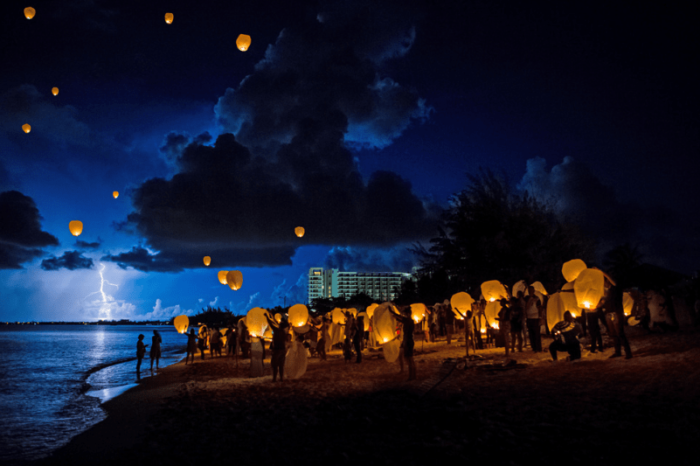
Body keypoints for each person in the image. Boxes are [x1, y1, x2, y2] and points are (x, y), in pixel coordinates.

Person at [603, 286, 633, 359]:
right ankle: (617, 352)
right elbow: (604, 302)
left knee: (620, 333)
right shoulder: (605, 291)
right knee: (613, 334)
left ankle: (628, 352)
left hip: (617, 313)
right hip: (608, 313)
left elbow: (613, 299)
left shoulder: (616, 289)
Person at [389, 305, 416, 381]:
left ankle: (411, 376)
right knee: (410, 359)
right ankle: (413, 375)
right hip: (408, 340)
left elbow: (399, 316)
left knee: (409, 359)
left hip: (407, 341)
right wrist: (393, 314)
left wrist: (391, 311)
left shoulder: (408, 320)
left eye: (405, 314)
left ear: (408, 314)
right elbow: (399, 317)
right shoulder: (410, 321)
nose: (404, 315)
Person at [265, 313, 289, 382]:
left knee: (275, 365)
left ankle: (274, 378)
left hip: (277, 350)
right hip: (283, 349)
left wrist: (267, 317)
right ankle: (281, 378)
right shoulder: (284, 333)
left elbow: (270, 323)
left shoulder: (276, 330)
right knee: (281, 365)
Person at [525, 286, 543, 352]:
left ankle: (538, 348)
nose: (530, 292)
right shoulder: (527, 298)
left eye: (531, 290)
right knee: (531, 334)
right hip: (529, 318)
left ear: (533, 291)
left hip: (535, 318)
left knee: (536, 334)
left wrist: (540, 318)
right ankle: (534, 348)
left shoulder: (537, 299)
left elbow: (540, 309)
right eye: (529, 290)